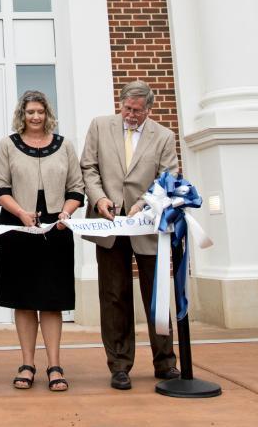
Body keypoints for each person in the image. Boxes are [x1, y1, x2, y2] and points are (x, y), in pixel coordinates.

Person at [80, 80, 179, 391]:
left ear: (148, 109)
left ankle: (165, 362)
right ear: (119, 103)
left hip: (147, 225)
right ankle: (120, 366)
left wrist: (142, 204)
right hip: (108, 223)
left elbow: (169, 177)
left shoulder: (164, 136)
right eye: (126, 108)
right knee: (114, 296)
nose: (131, 114)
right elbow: (89, 167)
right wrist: (99, 199)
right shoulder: (99, 126)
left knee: (157, 295)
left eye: (137, 110)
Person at [0, 90, 84, 392]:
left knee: (52, 299)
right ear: (22, 114)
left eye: (40, 112)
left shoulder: (65, 145)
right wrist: (21, 213)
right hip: (18, 229)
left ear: (47, 114)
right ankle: (27, 364)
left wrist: (64, 214)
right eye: (30, 112)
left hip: (56, 230)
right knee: (24, 299)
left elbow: (77, 189)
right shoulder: (8, 145)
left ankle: (54, 365)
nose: (35, 117)